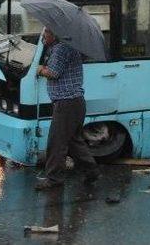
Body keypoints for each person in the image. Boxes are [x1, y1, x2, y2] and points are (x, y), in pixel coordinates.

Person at [35, 27, 99, 190]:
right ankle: (91, 170)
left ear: (55, 34)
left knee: (56, 143)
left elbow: (53, 73)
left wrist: (40, 69)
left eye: (47, 32)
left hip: (66, 104)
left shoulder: (60, 49)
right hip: (75, 102)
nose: (44, 35)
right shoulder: (68, 47)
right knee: (73, 141)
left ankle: (54, 179)